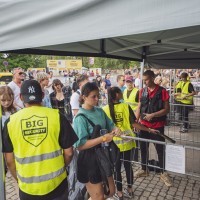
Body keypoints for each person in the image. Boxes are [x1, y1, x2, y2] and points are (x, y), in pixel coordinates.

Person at [2, 80, 78, 200]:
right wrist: (61, 167)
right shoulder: (57, 117)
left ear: (21, 97)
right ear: (42, 95)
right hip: (57, 185)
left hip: (28, 189)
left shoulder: (11, 122)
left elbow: (9, 160)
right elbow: (69, 152)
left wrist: (18, 179)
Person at [103, 87, 159, 199]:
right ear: (117, 95)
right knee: (128, 166)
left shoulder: (104, 109)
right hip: (127, 143)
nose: (122, 93)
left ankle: (119, 192)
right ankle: (130, 189)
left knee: (117, 169)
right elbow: (134, 124)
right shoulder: (125, 106)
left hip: (112, 145)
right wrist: (148, 129)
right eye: (120, 92)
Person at [73, 82, 120, 200]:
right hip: (89, 161)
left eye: (97, 95)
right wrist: (103, 138)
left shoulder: (99, 111)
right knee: (98, 196)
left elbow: (110, 125)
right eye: (93, 96)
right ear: (84, 97)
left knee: (110, 191)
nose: (96, 98)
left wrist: (116, 129)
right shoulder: (80, 118)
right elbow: (80, 145)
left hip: (104, 157)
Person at [135, 70, 172, 187]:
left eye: (146, 79)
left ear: (152, 78)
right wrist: (136, 122)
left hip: (157, 127)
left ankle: (163, 172)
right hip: (143, 126)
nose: (144, 82)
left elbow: (167, 109)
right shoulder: (142, 91)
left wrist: (153, 115)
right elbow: (139, 107)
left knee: (160, 150)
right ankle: (144, 169)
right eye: (143, 80)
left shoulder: (162, 91)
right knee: (143, 148)